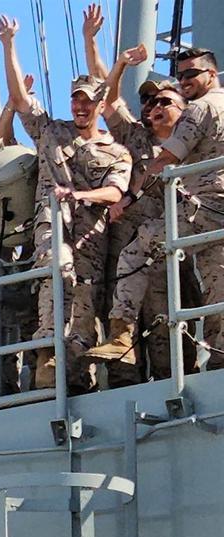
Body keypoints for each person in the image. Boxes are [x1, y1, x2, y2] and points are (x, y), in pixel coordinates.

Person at [0, 15, 132, 391]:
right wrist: (9, 45)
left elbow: (116, 193)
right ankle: (47, 366)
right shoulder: (51, 131)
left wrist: (81, 195)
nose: (80, 107)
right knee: (57, 273)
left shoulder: (117, 151)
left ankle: (78, 379)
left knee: (84, 304)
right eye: (75, 100)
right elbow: (21, 101)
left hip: (90, 235)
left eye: (87, 101)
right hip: (53, 228)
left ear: (99, 105)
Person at [82, 43, 190, 377]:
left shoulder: (196, 143)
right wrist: (119, 63)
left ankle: (172, 383)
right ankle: (124, 386)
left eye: (163, 101)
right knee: (124, 320)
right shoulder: (135, 137)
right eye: (147, 101)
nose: (152, 106)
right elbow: (110, 99)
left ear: (183, 109)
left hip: (172, 249)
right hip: (129, 248)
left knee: (165, 327)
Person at [132, 47, 224, 367]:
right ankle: (218, 360)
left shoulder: (199, 108)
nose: (184, 80)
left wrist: (132, 195)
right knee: (219, 287)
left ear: (211, 75)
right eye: (180, 75)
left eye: (191, 74)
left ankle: (119, 329)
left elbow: (169, 157)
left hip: (207, 208)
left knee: (141, 243)